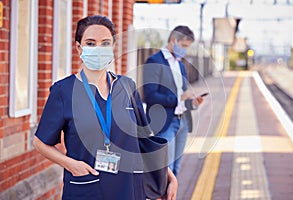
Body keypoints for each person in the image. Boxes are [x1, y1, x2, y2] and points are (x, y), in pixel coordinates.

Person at [33, 15, 177, 200]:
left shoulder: (127, 86)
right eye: (91, 43)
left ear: (113, 47)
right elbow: (40, 142)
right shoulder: (64, 91)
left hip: (129, 188)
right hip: (88, 187)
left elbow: (144, 138)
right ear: (79, 47)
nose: (98, 49)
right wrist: (71, 164)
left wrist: (167, 176)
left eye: (105, 43)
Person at [143, 25, 204, 177]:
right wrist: (178, 99)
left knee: (176, 169)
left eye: (187, 47)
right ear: (173, 40)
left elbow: (182, 95)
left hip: (182, 122)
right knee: (165, 170)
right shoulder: (154, 61)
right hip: (165, 124)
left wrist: (192, 102)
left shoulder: (180, 65)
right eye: (183, 46)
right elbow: (150, 96)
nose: (185, 50)